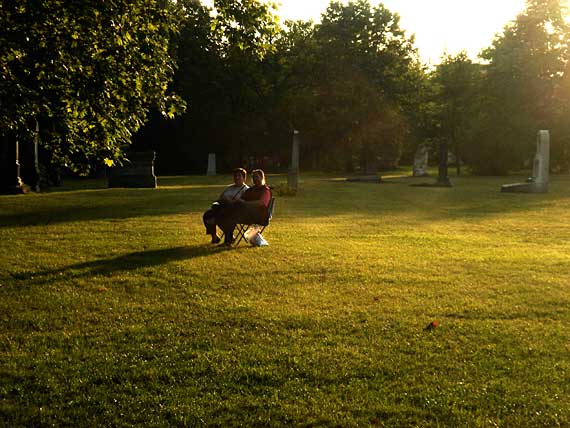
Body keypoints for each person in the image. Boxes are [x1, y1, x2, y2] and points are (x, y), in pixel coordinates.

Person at [217, 169, 272, 245]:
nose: (255, 179)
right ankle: (228, 239)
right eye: (253, 177)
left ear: (262, 178)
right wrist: (234, 201)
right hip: (245, 213)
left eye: (257, 177)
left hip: (259, 216)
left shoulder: (265, 190)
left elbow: (261, 203)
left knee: (231, 215)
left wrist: (246, 203)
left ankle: (228, 240)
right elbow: (242, 199)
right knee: (225, 215)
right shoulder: (250, 190)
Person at [203, 168, 249, 244]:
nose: (237, 178)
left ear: (244, 178)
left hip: (236, 212)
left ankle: (229, 237)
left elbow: (245, 203)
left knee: (220, 217)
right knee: (207, 214)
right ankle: (214, 236)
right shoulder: (229, 188)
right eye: (235, 176)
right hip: (223, 208)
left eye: (239, 176)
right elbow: (220, 199)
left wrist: (233, 201)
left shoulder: (246, 190)